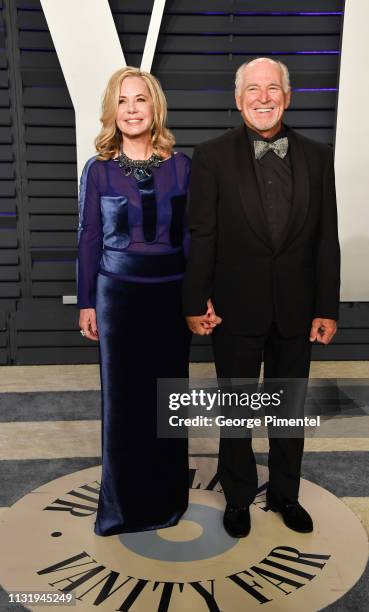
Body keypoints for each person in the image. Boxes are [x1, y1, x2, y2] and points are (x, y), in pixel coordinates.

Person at [183, 57, 340, 538]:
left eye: (273, 89)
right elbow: (201, 234)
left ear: (287, 98)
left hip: (298, 309)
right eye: (254, 89)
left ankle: (285, 494)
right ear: (238, 98)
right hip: (234, 308)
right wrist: (195, 301)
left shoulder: (317, 155)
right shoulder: (210, 155)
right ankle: (237, 497)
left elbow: (324, 237)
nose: (264, 97)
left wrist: (326, 307)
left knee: (288, 406)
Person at [77, 66, 193, 536]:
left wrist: (199, 298)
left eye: (140, 100)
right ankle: (123, 508)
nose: (131, 109)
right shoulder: (99, 169)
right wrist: (86, 302)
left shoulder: (182, 165)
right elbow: (88, 238)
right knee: (124, 404)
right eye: (122, 101)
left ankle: (167, 499)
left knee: (168, 399)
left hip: (171, 293)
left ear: (155, 107)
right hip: (117, 297)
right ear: (112, 110)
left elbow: (192, 236)